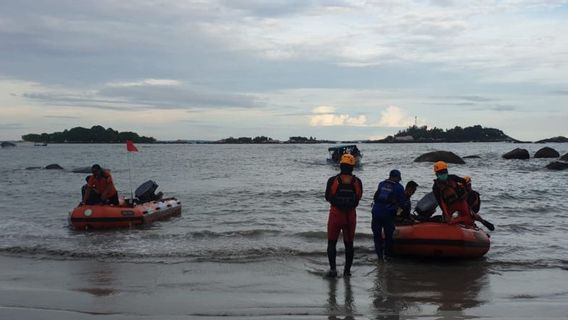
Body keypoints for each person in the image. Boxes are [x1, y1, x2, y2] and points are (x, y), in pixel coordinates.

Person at [324, 154, 363, 277]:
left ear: (340, 165)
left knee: (332, 243)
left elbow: (327, 197)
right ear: (352, 167)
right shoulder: (357, 182)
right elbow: (358, 198)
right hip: (350, 216)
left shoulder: (332, 180)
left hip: (336, 215)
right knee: (349, 244)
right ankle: (347, 272)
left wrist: (338, 204)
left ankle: (333, 270)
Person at [371, 169, 406, 260]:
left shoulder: (381, 184)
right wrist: (399, 214)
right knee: (389, 236)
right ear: (397, 177)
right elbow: (402, 203)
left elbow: (376, 197)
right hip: (388, 213)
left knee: (377, 235)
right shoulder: (399, 187)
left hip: (376, 212)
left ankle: (379, 256)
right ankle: (387, 255)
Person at [431, 161, 474, 226]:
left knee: (468, 217)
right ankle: (454, 221)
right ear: (436, 174)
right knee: (447, 222)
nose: (443, 174)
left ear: (447, 172)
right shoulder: (436, 187)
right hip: (449, 206)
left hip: (460, 201)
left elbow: (464, 181)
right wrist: (445, 213)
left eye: (444, 172)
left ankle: (462, 223)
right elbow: (440, 202)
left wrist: (465, 192)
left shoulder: (453, 177)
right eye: (441, 172)